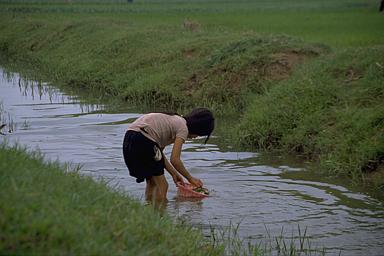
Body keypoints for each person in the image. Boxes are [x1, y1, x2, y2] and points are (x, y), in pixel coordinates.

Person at [123, 107, 215, 203]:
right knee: (162, 186)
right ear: (199, 128)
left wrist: (174, 174)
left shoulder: (174, 119)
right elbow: (175, 160)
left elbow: (158, 155)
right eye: (199, 135)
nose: (195, 137)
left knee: (152, 182)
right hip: (143, 139)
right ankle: (159, 215)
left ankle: (149, 210)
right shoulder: (183, 128)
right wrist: (190, 178)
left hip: (130, 138)